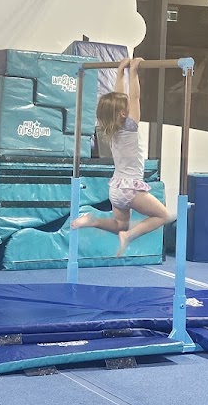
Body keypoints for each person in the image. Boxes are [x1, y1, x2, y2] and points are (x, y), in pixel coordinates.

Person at [72, 57, 174, 257]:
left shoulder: (108, 127)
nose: (130, 106)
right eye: (126, 107)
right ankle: (129, 236)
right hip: (130, 187)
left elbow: (120, 97)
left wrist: (120, 72)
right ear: (122, 113)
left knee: (119, 224)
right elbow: (134, 98)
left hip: (116, 188)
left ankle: (92, 220)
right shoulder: (130, 127)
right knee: (163, 215)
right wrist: (133, 73)